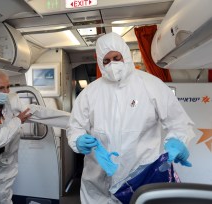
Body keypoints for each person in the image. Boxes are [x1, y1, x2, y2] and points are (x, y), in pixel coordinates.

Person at [66, 32, 196, 204]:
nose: (112, 64)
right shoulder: (90, 93)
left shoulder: (152, 85)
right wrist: (78, 140)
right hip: (98, 181)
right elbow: (74, 128)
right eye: (106, 60)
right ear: (100, 62)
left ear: (125, 54)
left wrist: (178, 141)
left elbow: (179, 123)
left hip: (142, 176)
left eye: (116, 57)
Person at [0, 69, 70, 204]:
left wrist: (73, 120)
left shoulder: (11, 99)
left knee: (2, 198)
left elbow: (34, 112)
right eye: (1, 88)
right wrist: (17, 121)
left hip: (3, 162)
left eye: (8, 87)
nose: (6, 92)